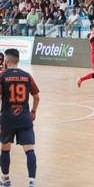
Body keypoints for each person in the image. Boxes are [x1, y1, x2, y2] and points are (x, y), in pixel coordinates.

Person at [0, 48, 40, 187]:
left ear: (7, 60)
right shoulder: (27, 76)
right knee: (29, 149)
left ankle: (6, 179)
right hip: (24, 118)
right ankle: (31, 182)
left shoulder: (3, 76)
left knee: (5, 148)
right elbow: (36, 97)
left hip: (7, 118)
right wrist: (33, 111)